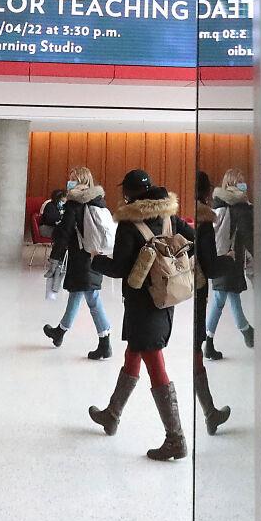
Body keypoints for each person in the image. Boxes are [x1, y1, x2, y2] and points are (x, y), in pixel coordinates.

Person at [87, 169, 194, 461]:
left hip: (141, 304)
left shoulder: (129, 224)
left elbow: (120, 268)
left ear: (129, 194)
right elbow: (192, 239)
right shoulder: (170, 216)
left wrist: (96, 261)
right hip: (163, 297)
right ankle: (112, 414)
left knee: (154, 361)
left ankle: (176, 438)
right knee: (134, 352)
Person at [41, 167, 113, 357]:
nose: (69, 183)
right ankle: (60, 331)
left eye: (72, 179)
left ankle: (105, 342)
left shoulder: (75, 204)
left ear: (80, 181)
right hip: (95, 255)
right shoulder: (99, 201)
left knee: (92, 298)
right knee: (77, 293)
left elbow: (64, 234)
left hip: (81, 259)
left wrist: (54, 258)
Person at [192, 170, 231, 434]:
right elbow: (210, 266)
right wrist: (229, 259)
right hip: (196, 292)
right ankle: (208, 413)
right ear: (207, 193)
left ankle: (210, 412)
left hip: (175, 291)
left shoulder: (176, 215)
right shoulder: (204, 220)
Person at [204, 168, 255, 358]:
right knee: (219, 300)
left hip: (220, 257)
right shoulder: (240, 209)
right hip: (231, 260)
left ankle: (247, 331)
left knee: (232, 295)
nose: (244, 186)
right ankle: (208, 343)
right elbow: (250, 238)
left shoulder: (218, 205)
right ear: (233, 185)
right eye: (240, 183)